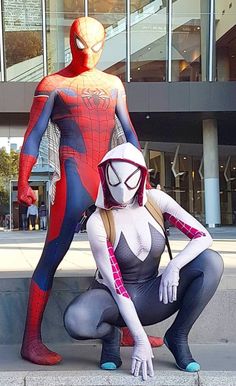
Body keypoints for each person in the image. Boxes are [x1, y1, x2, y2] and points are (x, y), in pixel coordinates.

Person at [17, 16, 141, 365]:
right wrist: (24, 181)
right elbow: (33, 134)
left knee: (127, 255)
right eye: (81, 45)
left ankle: (130, 328)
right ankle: (30, 341)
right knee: (52, 256)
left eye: (97, 46)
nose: (89, 53)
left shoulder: (114, 84)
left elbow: (129, 133)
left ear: (105, 44)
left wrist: (138, 177)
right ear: (70, 42)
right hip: (75, 177)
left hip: (110, 181)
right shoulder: (53, 83)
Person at [64, 143, 224, 381]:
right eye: (115, 180)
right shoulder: (98, 221)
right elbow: (117, 287)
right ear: (105, 176)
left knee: (211, 262)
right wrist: (140, 340)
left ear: (141, 175)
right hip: (112, 301)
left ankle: (177, 336)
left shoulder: (156, 201)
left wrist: (175, 265)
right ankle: (111, 337)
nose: (122, 189)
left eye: (129, 180)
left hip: (153, 294)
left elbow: (203, 236)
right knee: (75, 319)